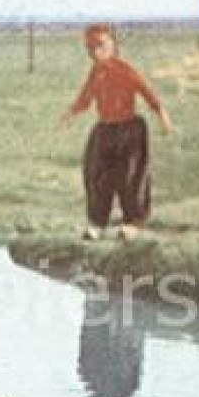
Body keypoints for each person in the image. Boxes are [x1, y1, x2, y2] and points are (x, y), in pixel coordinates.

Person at [59, 23, 175, 242]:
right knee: (96, 175)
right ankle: (97, 223)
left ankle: (132, 222)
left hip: (129, 129)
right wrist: (71, 113)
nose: (96, 52)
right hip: (105, 129)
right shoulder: (96, 72)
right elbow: (86, 97)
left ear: (113, 45)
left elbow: (147, 92)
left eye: (101, 46)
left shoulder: (124, 70)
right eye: (91, 48)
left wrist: (162, 115)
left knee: (130, 176)